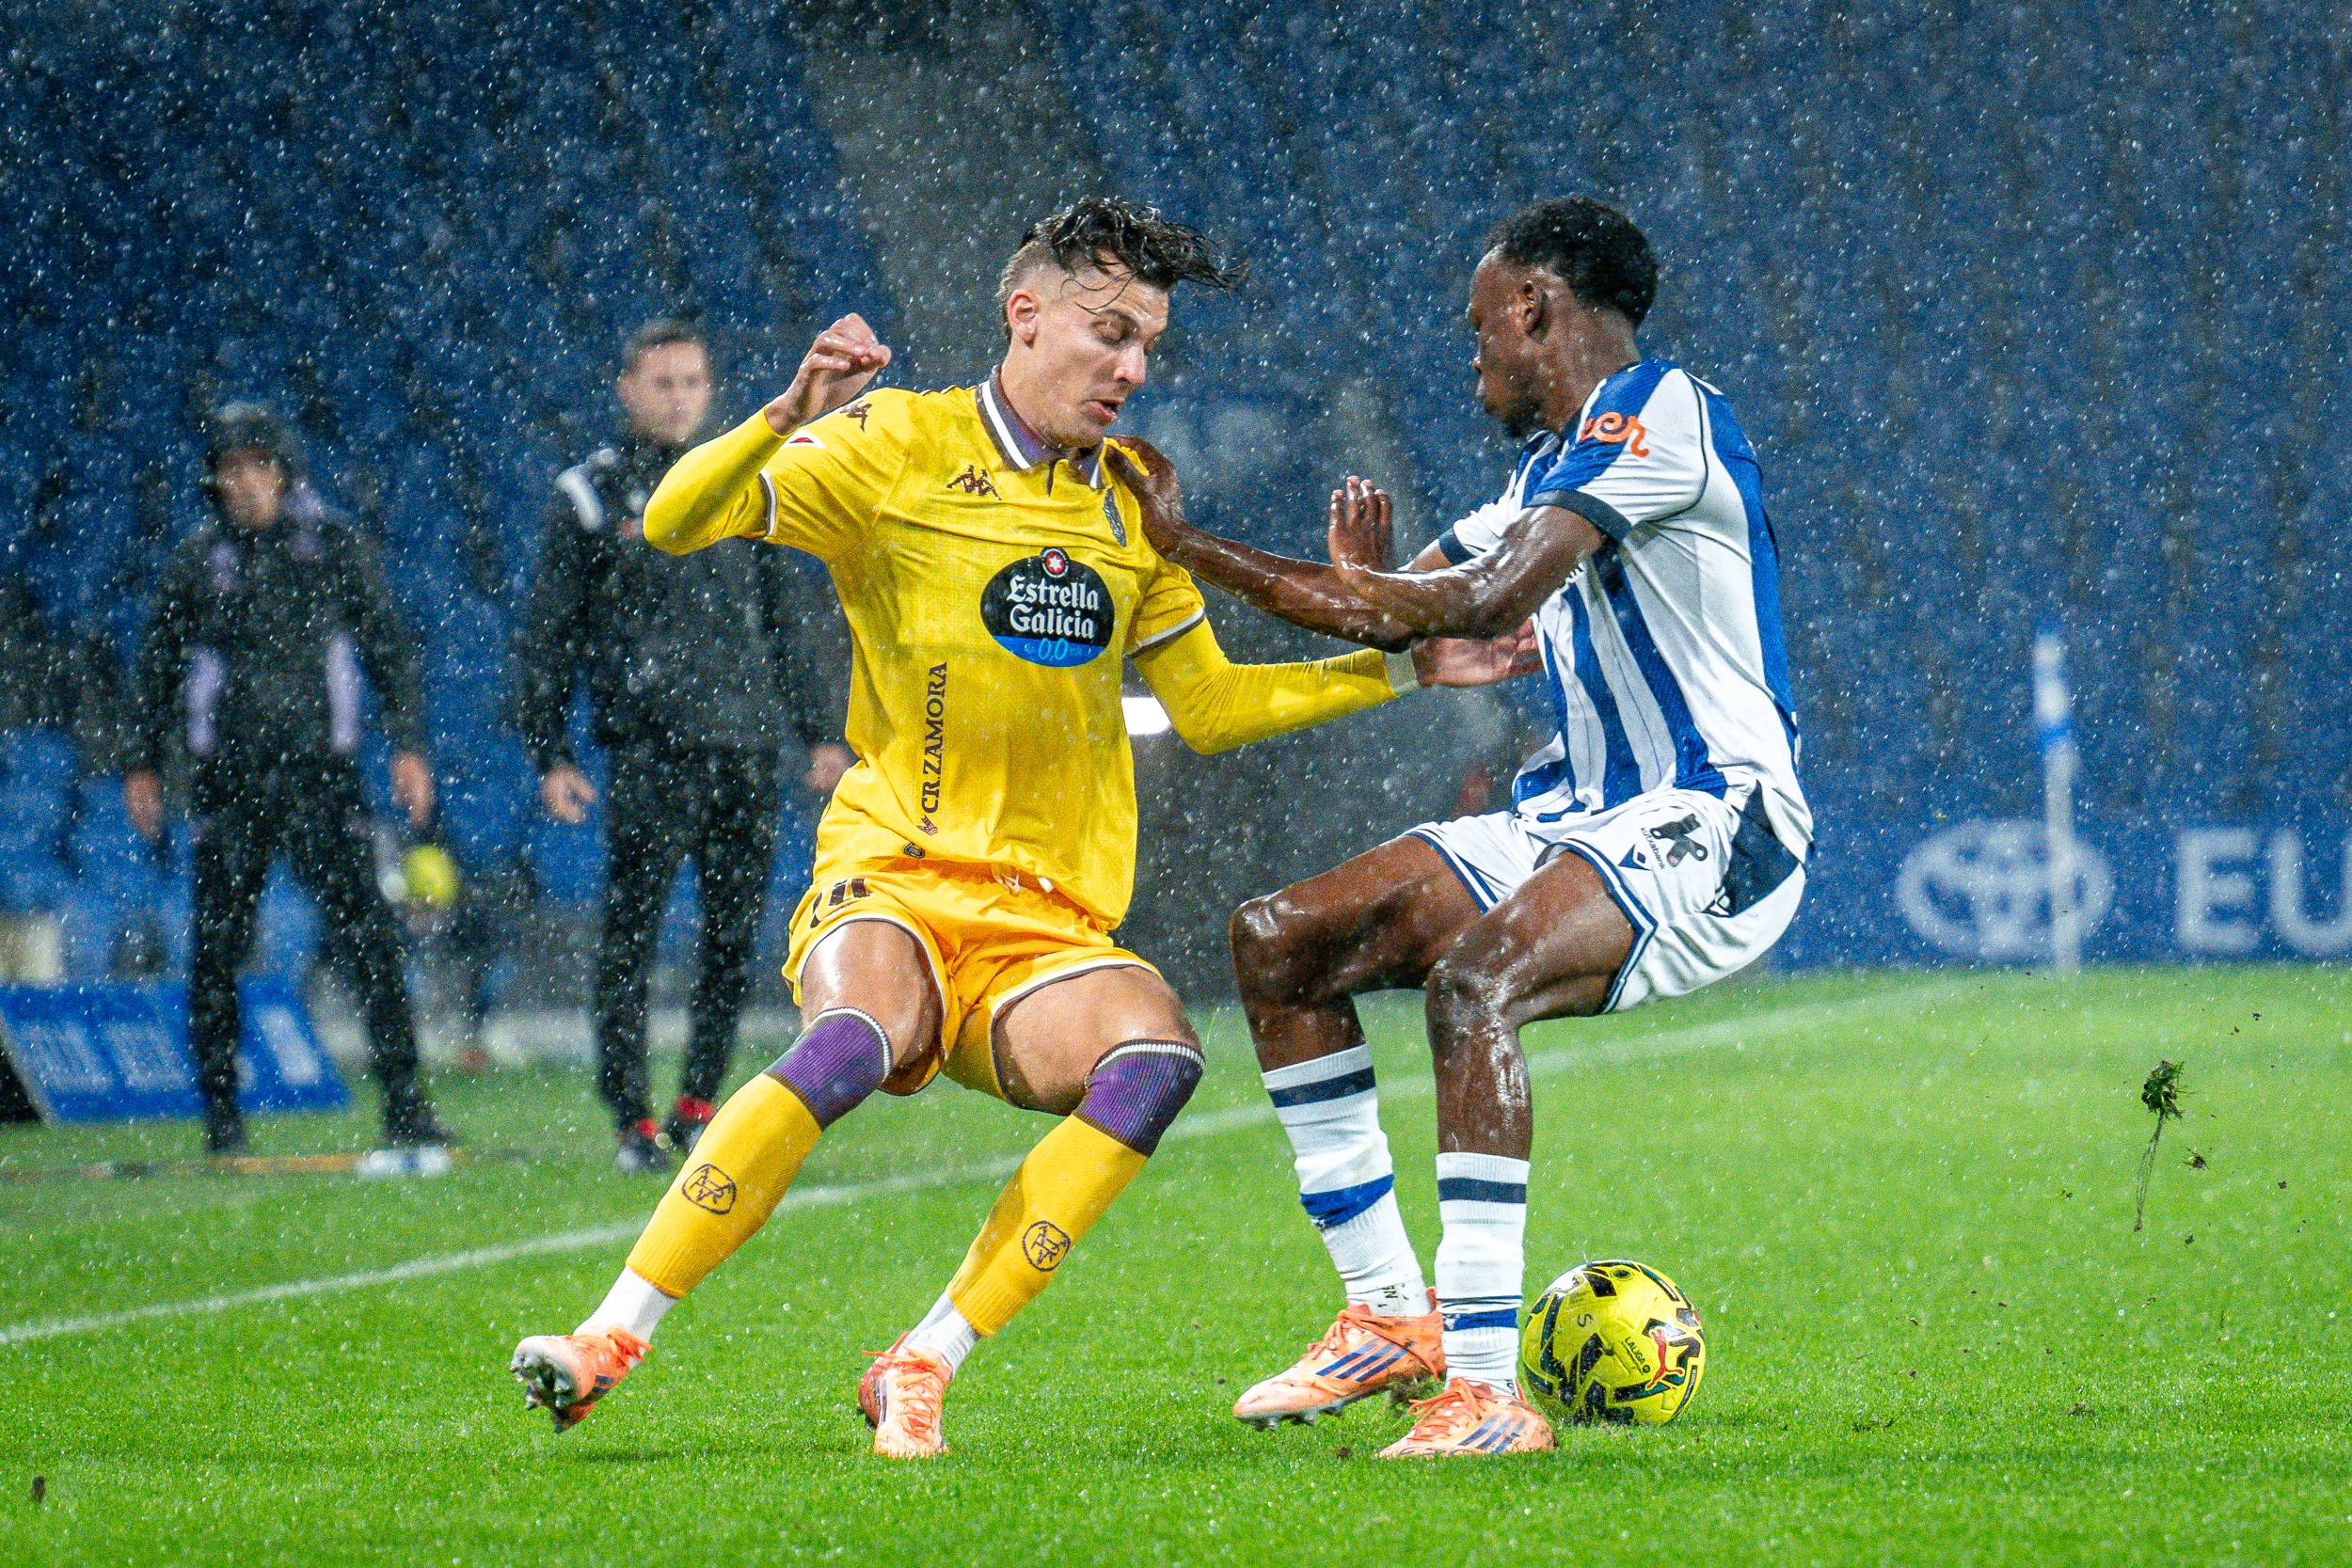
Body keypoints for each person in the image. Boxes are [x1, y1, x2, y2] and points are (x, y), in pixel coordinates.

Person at [507, 197, 1527, 1458]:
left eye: (1149, 341)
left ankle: (922, 1358)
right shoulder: (894, 442)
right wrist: (783, 414)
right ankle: (610, 1332)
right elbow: (674, 519)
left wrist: (1404, 674)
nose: (1133, 367)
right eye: (1110, 331)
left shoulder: (1132, 501)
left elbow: (1206, 704)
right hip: (892, 866)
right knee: (858, 1036)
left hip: (1043, 917)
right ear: (1025, 314)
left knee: (1154, 1058)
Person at [1113, 197, 1809, 1458]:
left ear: (1537, 305)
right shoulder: (1544, 479)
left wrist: (1259, 560)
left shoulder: (1659, 413)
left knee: (1474, 980)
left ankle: (1488, 1387)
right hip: (1574, 813)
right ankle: (1390, 1314)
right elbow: (1391, 608)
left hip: (1715, 819)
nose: (1471, 347)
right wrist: (1235, 557)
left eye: (1481, 320)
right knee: (1280, 939)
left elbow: (1483, 597)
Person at [514, 318, 852, 1170]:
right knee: (630, 935)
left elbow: (788, 619)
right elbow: (549, 633)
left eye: (692, 383)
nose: (678, 398)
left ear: (711, 391)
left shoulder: (748, 480)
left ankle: (699, 1104)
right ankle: (630, 1118)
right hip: (652, 751)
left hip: (746, 746)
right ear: (626, 389)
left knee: (733, 940)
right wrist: (550, 751)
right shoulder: (589, 495)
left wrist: (820, 732)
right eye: (662, 383)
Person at [125, 403, 447, 1156]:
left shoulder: (331, 547)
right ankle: (222, 1120)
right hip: (228, 782)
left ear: (284, 471)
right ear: (215, 480)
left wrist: (407, 745)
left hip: (320, 777)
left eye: (257, 466)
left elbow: (388, 646)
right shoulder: (199, 560)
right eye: (230, 469)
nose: (245, 483)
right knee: (217, 948)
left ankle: (406, 1101)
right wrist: (143, 761)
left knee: (367, 936)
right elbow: (157, 667)